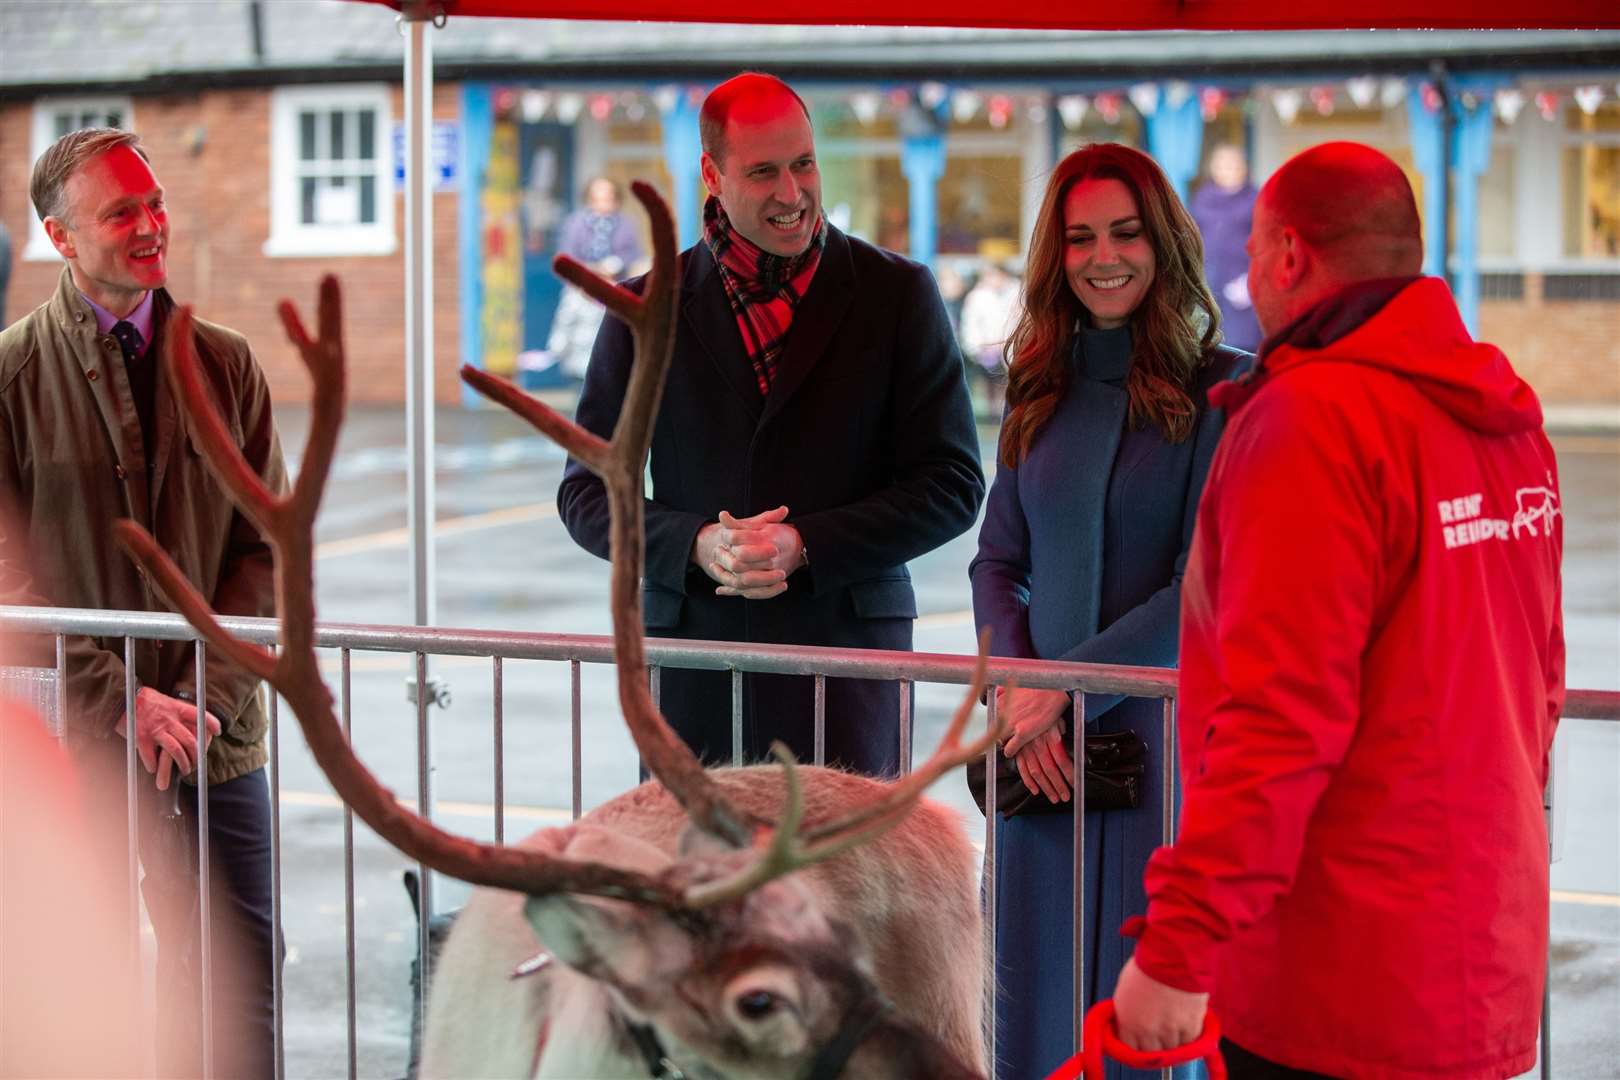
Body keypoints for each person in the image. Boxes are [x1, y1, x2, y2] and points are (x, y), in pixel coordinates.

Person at [1113, 142, 1565, 1078]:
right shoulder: (1505, 418)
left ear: (1286, 255)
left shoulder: (1312, 421)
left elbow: (1278, 716)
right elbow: (1541, 683)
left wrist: (1179, 946)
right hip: (1480, 950)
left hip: (1338, 977)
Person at [558, 72, 984, 777]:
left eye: (803, 164)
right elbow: (586, 493)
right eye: (763, 172)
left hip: (849, 665)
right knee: (701, 883)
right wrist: (694, 544)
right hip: (692, 667)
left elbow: (953, 483)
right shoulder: (643, 308)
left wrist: (806, 544)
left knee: (849, 887)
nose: (792, 193)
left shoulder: (898, 293)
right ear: (711, 174)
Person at [0, 127, 286, 1079]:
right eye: (122, 211)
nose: (152, 224)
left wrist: (200, 701)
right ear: (59, 235)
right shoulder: (8, 380)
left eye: (155, 201)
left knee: (240, 974)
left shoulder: (230, 365)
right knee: (93, 982)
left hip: (216, 734)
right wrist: (122, 699)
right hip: (78, 743)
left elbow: (268, 551)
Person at [968, 142, 1248, 1079]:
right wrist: (1021, 693)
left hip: (1157, 758)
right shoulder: (1036, 384)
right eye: (1081, 238)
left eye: (1125, 233)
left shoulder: (1224, 392)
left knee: (1141, 1018)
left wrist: (1068, 694)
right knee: (1026, 1003)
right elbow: (997, 561)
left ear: (1164, 242)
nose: (1104, 257)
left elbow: (1201, 583)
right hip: (1035, 763)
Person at [545, 176, 646, 379]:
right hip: (581, 289)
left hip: (614, 287)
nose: (603, 202)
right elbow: (566, 255)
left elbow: (633, 254)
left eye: (608, 197)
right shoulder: (575, 224)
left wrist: (614, 266)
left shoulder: (626, 225)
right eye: (598, 197)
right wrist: (586, 275)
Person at [1188, 144, 1261, 352]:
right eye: (1222, 165)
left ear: (1244, 167)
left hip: (1243, 290)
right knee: (1210, 345)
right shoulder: (1203, 198)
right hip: (1210, 285)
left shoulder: (1255, 199)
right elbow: (1191, 240)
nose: (1228, 170)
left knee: (1243, 352)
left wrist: (1252, 280)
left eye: (1232, 164)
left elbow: (1269, 244)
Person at [958, 259, 1022, 416]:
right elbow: (970, 324)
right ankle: (991, 415)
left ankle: (1007, 413)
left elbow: (1022, 321)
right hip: (985, 350)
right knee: (987, 384)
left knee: (1008, 385)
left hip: (1011, 348)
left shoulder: (1018, 293)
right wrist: (976, 346)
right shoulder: (977, 296)